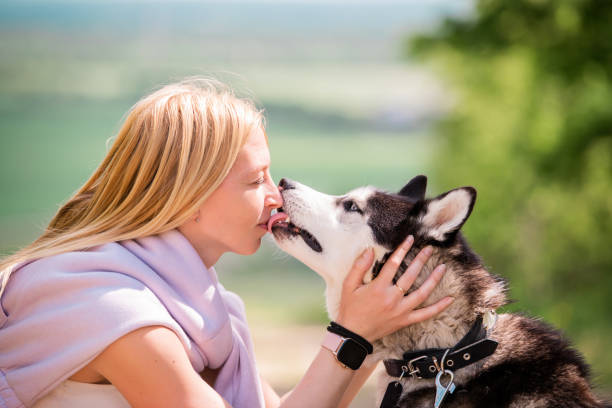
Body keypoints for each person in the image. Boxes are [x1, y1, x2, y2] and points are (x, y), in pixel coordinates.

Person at [0, 78, 452, 408]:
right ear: (187, 196)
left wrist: (373, 332)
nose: (277, 196)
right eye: (256, 180)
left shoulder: (207, 308)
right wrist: (352, 335)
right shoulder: (115, 311)